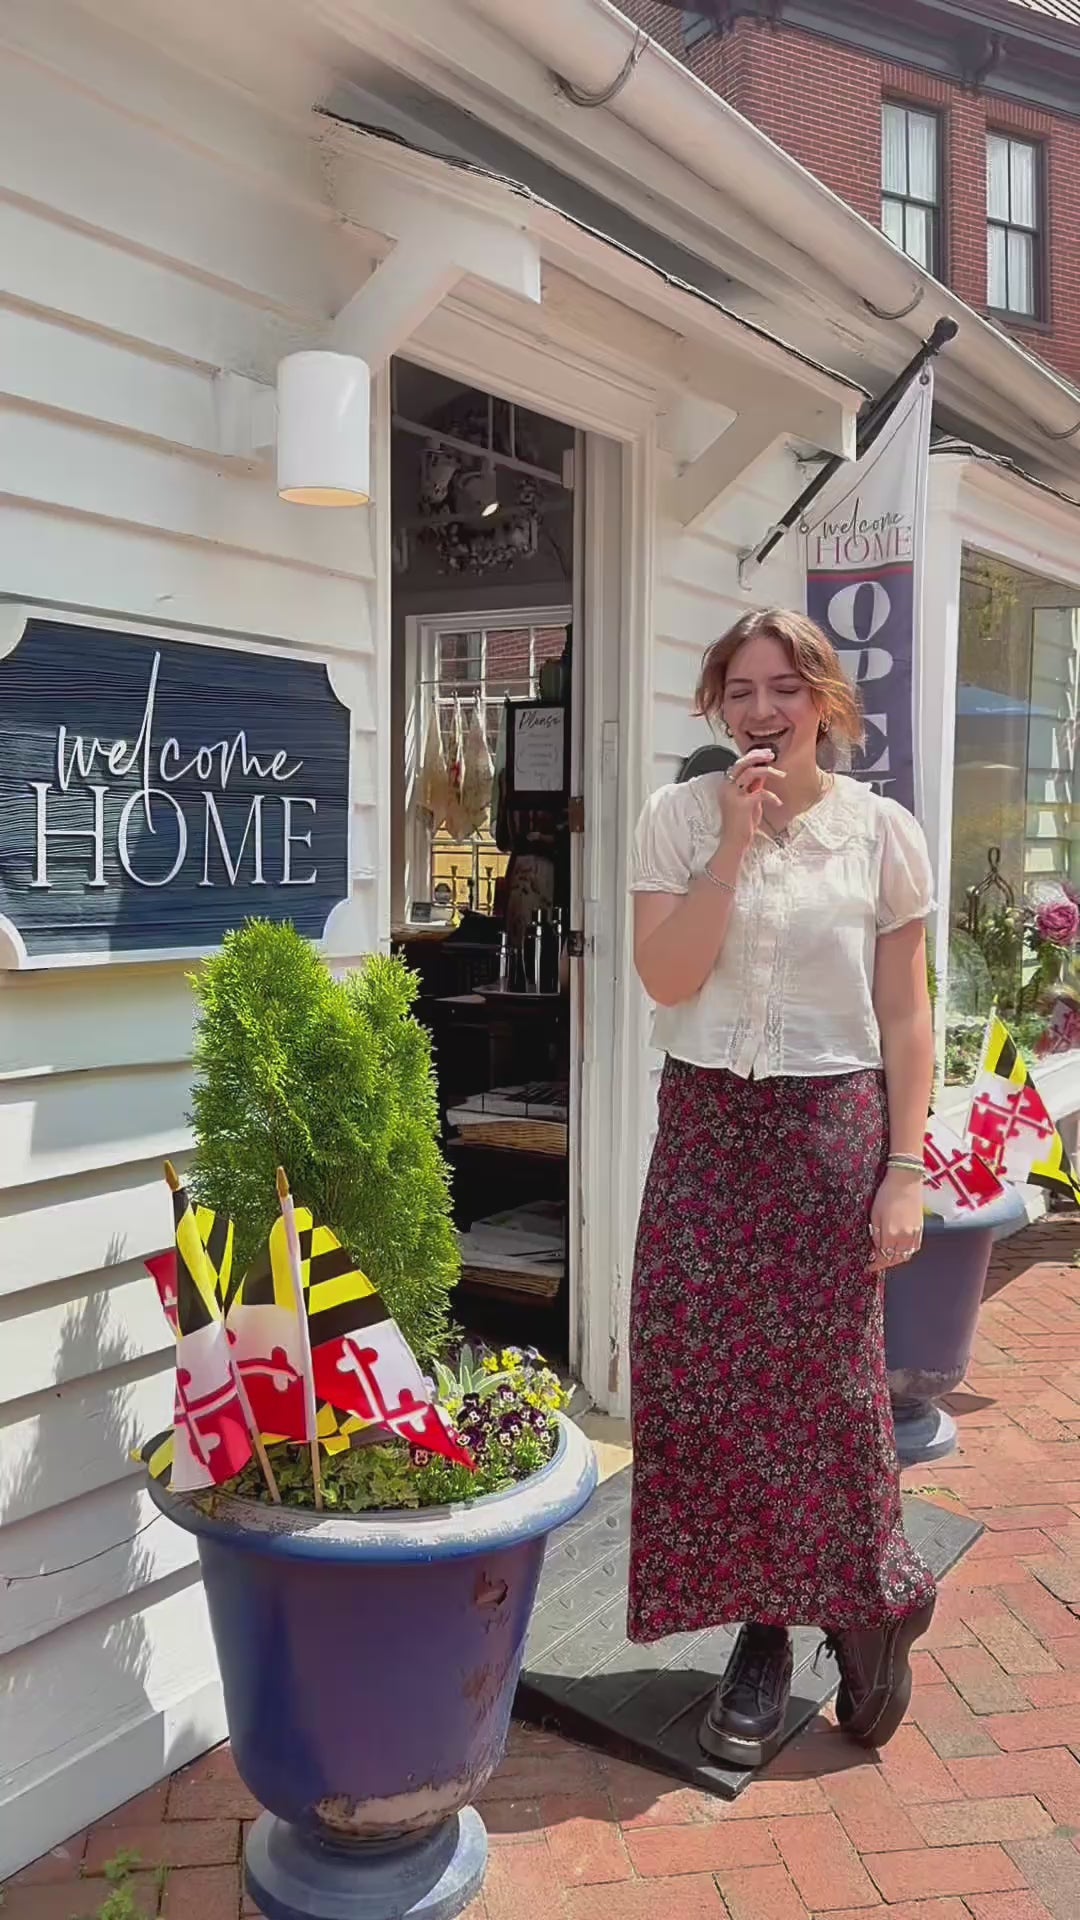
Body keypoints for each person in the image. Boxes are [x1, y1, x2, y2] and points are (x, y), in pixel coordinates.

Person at [628, 607, 937, 1769]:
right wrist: (728, 843)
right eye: (740, 691)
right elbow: (668, 979)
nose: (763, 711)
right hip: (708, 1123)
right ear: (719, 708)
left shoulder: (879, 834)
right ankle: (786, 1619)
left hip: (827, 1126)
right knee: (696, 1367)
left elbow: (906, 1015)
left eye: (784, 687)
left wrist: (904, 1168)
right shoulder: (680, 818)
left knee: (823, 1387)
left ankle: (836, 1608)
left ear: (825, 701)